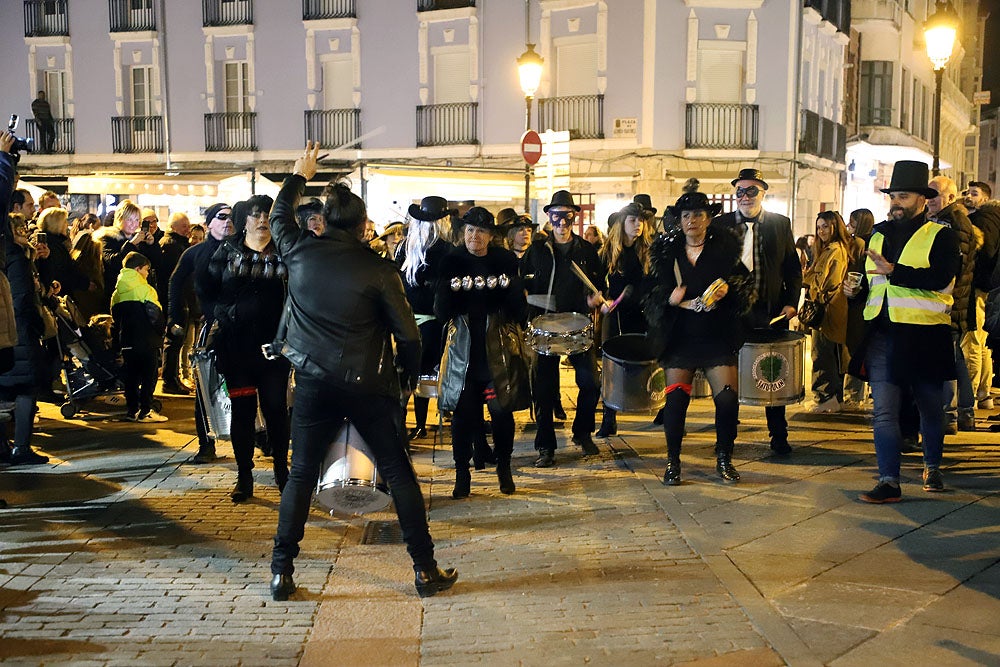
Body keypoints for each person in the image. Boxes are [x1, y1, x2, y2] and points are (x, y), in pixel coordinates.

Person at [268, 143, 456, 601]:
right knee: (399, 472)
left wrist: (300, 175)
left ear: (328, 221)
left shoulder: (299, 252)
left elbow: (278, 217)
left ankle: (281, 571)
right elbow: (409, 336)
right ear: (361, 226)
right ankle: (424, 569)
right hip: (368, 384)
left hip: (313, 381)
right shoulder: (379, 268)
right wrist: (408, 378)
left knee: (300, 475)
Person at [844, 160, 960, 503]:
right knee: (884, 411)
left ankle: (932, 466)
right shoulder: (877, 235)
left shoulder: (942, 235)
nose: (896, 202)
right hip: (883, 334)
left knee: (929, 407)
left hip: (924, 335)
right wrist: (856, 294)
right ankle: (889, 481)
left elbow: (941, 279)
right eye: (893, 195)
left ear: (922, 200)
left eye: (904, 196)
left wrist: (894, 270)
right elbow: (871, 283)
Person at [644, 192, 748, 484]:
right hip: (680, 337)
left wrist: (730, 290)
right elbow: (650, 293)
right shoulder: (667, 254)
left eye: (699, 215)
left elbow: (744, 283)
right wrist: (669, 299)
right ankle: (673, 462)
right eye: (686, 216)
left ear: (708, 219)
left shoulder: (724, 251)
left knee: (727, 400)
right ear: (679, 221)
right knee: (675, 402)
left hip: (715, 336)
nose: (692, 221)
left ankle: (725, 457)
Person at [435, 207, 529, 498]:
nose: (474, 236)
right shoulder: (451, 262)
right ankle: (462, 474)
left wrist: (512, 291)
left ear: (491, 236)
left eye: (481, 231)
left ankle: (504, 468)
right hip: (464, 349)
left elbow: (518, 311)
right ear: (463, 233)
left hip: (496, 350)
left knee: (501, 412)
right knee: (463, 416)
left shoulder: (504, 261)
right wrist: (445, 291)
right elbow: (441, 311)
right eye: (470, 231)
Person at [712, 168, 801, 456]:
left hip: (769, 311)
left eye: (751, 191)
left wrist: (791, 302)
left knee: (773, 372)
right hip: (730, 313)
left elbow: (792, 268)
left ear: (763, 193)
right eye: (740, 191)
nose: (745, 196)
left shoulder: (779, 224)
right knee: (728, 378)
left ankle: (778, 436)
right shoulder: (721, 225)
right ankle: (725, 439)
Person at [207, 196, 289, 502]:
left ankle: (283, 470)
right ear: (245, 220)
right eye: (257, 216)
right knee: (242, 412)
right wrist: (225, 317)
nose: (263, 220)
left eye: (267, 215)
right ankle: (244, 475)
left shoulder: (283, 252)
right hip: (236, 348)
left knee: (276, 410)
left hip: (274, 347)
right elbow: (207, 291)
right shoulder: (225, 253)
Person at [522, 190, 606, 467]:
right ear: (548, 217)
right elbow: (522, 283)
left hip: (577, 324)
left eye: (567, 216)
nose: (561, 222)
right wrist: (525, 297)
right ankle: (546, 446)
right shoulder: (536, 251)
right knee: (544, 389)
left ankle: (583, 433)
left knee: (590, 383)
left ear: (574, 217)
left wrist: (594, 298)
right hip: (545, 324)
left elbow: (597, 285)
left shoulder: (586, 250)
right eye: (556, 216)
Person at [168, 203, 232, 463]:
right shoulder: (196, 253)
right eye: (222, 217)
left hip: (242, 327)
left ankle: (262, 437)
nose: (228, 222)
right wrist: (175, 316)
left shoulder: (243, 249)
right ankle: (206, 443)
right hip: (210, 326)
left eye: (232, 217)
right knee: (205, 388)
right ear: (209, 223)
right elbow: (175, 282)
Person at [927, 175, 978, 432]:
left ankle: (948, 414)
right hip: (952, 301)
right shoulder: (951, 220)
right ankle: (966, 412)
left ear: (949, 197)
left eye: (934, 194)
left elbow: (952, 268)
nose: (929, 199)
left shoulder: (953, 223)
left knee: (948, 357)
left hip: (949, 302)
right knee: (955, 356)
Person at [398, 199, 451, 440]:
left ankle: (412, 423)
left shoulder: (409, 248)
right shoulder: (442, 250)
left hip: (419, 321)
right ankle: (413, 423)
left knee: (415, 373)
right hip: (422, 321)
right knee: (419, 372)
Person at [0, 213, 51, 464]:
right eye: (21, 228)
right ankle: (21, 447)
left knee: (4, 390)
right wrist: (37, 324)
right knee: (26, 388)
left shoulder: (7, 255)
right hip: (19, 331)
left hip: (6, 331)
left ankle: (2, 446)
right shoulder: (17, 259)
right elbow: (21, 298)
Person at [596, 203, 651, 437]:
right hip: (617, 315)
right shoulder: (608, 252)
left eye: (640, 221)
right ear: (621, 223)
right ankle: (609, 418)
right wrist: (603, 300)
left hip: (644, 314)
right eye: (632, 220)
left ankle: (662, 409)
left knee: (652, 362)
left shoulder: (649, 250)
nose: (638, 225)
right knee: (612, 365)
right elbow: (598, 285)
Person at [802, 211, 850, 412]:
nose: (821, 231)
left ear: (835, 227)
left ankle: (826, 398)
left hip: (827, 310)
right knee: (828, 353)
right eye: (819, 227)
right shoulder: (827, 249)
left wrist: (809, 280)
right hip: (828, 308)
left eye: (826, 227)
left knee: (822, 354)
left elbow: (830, 282)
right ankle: (832, 397)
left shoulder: (835, 250)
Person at [110, 252, 167, 422]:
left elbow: (115, 318)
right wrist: (161, 332)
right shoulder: (145, 289)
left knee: (131, 376)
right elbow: (155, 315)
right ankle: (146, 411)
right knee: (149, 375)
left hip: (127, 339)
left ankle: (132, 410)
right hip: (147, 340)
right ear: (138, 269)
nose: (148, 273)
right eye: (146, 270)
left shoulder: (117, 292)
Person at [963, 181, 1000, 410]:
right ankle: (984, 394)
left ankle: (970, 398)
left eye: (974, 194)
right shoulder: (994, 218)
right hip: (989, 288)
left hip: (979, 287)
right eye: (967, 192)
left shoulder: (983, 221)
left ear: (985, 199)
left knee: (972, 341)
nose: (968, 196)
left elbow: (984, 253)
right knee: (983, 342)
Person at [94, 200, 161, 310]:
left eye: (136, 220)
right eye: (129, 219)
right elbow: (113, 261)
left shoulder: (140, 237)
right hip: (119, 294)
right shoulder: (108, 237)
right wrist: (132, 244)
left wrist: (152, 245)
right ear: (120, 219)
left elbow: (155, 263)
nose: (133, 224)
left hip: (139, 295)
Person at [844, 209, 875, 407]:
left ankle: (854, 394)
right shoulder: (868, 241)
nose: (848, 227)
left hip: (861, 304)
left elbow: (859, 274)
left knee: (856, 348)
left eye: (852, 223)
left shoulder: (862, 244)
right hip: (864, 303)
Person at [158, 212, 192, 394]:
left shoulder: (176, 245)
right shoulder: (171, 246)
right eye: (184, 226)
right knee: (173, 341)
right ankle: (170, 380)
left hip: (179, 299)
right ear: (173, 227)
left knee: (176, 342)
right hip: (175, 301)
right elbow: (174, 278)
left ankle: (173, 378)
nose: (188, 230)